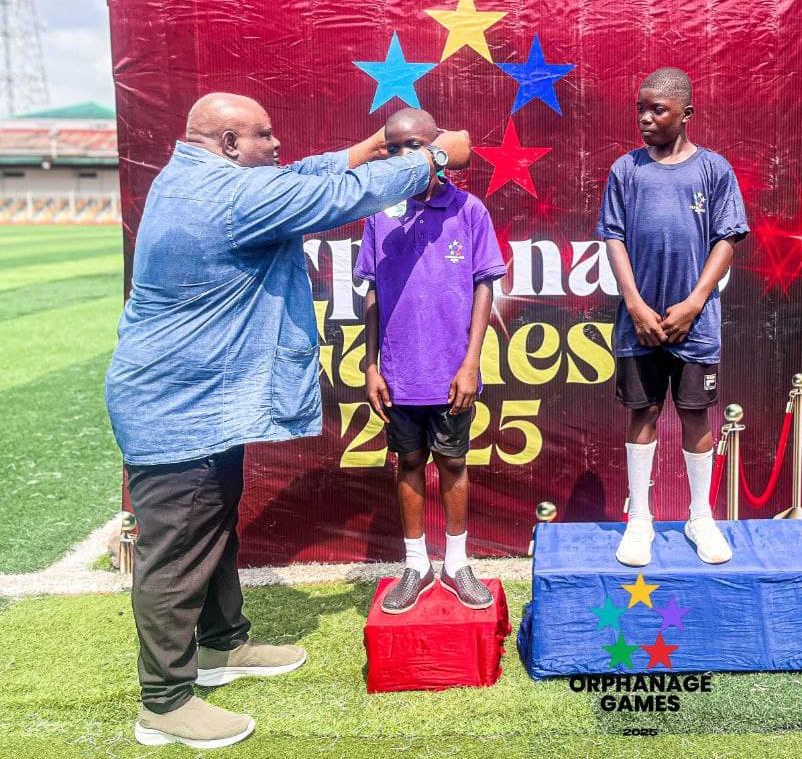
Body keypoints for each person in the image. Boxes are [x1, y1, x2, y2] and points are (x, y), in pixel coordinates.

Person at [106, 93, 470, 750]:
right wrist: (436, 157)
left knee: (211, 524)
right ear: (224, 143)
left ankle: (222, 645)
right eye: (263, 135)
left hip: (201, 401)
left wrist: (362, 151)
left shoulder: (198, 174)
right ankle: (163, 701)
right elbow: (327, 200)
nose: (277, 145)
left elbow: (294, 180)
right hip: (176, 410)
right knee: (175, 553)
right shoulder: (226, 199)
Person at [597, 67, 749, 567]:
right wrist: (636, 305)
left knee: (694, 415)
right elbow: (614, 237)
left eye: (657, 110)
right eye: (640, 108)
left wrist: (694, 303)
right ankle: (639, 517)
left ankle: (700, 517)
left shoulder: (714, 170)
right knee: (641, 413)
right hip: (637, 323)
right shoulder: (626, 170)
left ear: (686, 114)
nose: (644, 118)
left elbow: (726, 238)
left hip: (694, 323)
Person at [357, 108, 507, 613]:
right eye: (394, 148)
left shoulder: (468, 210)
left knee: (454, 461)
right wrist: (371, 364)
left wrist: (470, 364)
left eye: (413, 146)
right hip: (399, 373)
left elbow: (485, 285)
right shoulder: (380, 214)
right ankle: (416, 563)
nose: (404, 157)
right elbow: (372, 291)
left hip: (450, 373)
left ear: (437, 150)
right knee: (409, 463)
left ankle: (457, 563)